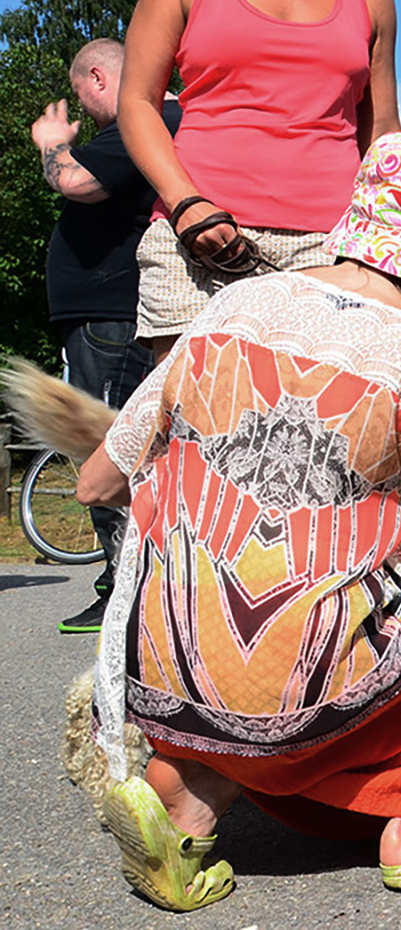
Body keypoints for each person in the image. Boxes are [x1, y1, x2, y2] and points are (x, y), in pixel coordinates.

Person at [74, 129, 401, 911]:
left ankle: (190, 790)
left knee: (266, 597)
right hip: (310, 686)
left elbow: (98, 481)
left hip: (167, 672)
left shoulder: (232, 305)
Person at [118, 0, 400, 353]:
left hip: (332, 252)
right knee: (198, 430)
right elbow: (137, 104)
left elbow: (383, 133)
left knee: (319, 433)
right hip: (197, 240)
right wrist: (186, 204)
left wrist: (389, 247)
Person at [32, 39, 182, 634]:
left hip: (112, 318)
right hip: (109, 317)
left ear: (98, 77)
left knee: (111, 444)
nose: (82, 107)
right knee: (126, 443)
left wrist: (55, 147)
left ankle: (129, 593)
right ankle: (129, 584)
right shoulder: (160, 121)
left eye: (80, 94)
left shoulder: (145, 119)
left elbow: (76, 183)